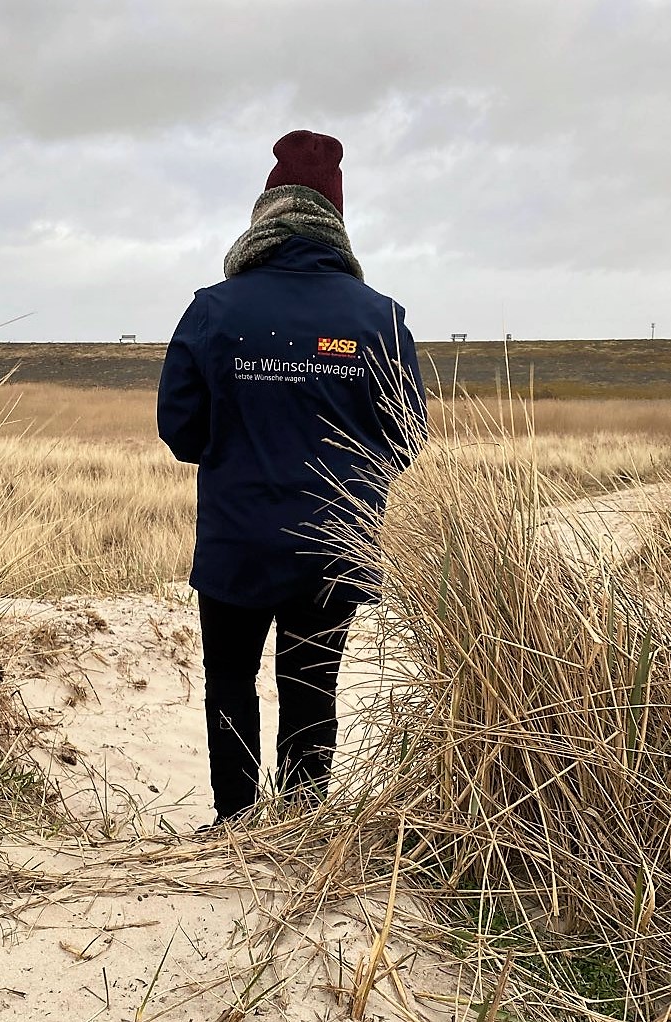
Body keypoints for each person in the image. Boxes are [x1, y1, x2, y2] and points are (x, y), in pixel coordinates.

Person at [157, 129, 427, 825]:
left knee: (230, 682)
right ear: (335, 221)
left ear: (264, 216)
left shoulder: (214, 310)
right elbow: (407, 436)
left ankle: (237, 824)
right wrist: (347, 478)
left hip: (236, 542)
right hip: (335, 542)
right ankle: (305, 828)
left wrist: (240, 453)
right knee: (312, 684)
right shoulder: (381, 319)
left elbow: (179, 431)